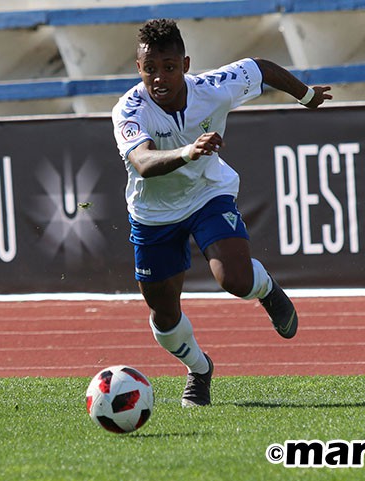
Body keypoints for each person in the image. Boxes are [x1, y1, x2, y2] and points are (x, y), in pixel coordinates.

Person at [111, 18, 332, 407]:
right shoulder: (130, 108)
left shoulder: (212, 89)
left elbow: (261, 68)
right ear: (138, 67)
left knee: (234, 279)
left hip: (208, 194)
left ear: (186, 64)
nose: (159, 78)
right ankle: (200, 369)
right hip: (153, 213)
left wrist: (305, 94)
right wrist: (188, 151)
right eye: (150, 69)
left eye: (169, 67)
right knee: (163, 314)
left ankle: (266, 290)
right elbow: (143, 162)